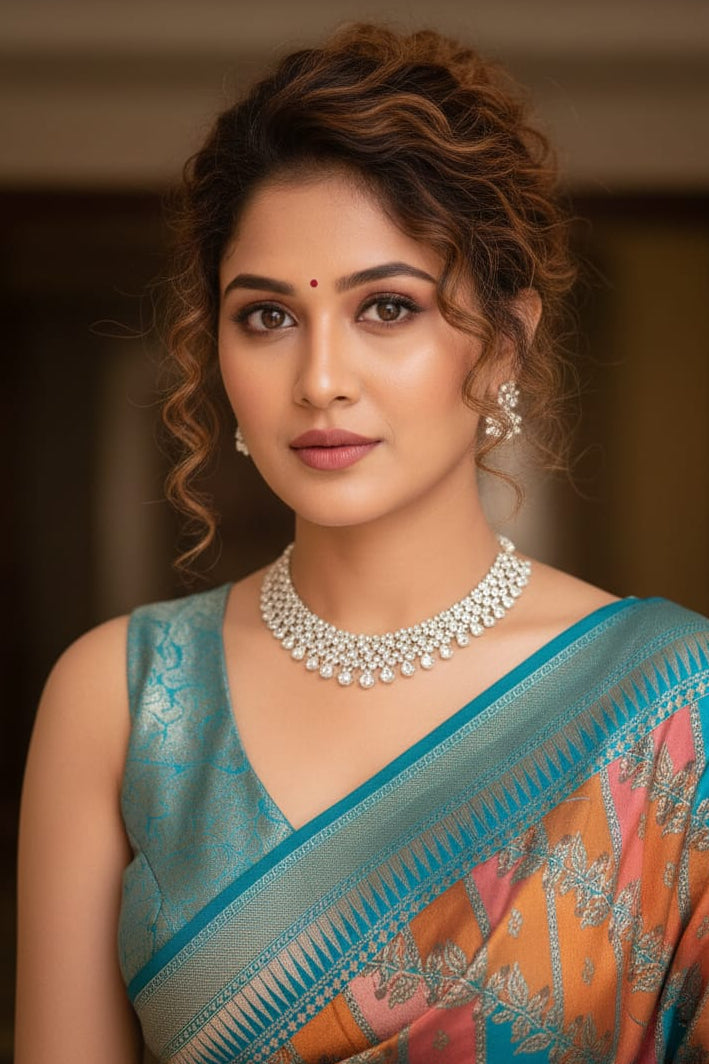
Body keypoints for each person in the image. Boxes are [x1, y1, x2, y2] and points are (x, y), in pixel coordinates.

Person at [15, 22, 709, 1064]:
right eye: (266, 316)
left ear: (504, 340)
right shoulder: (122, 695)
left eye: (387, 306)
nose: (320, 377)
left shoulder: (674, 704)